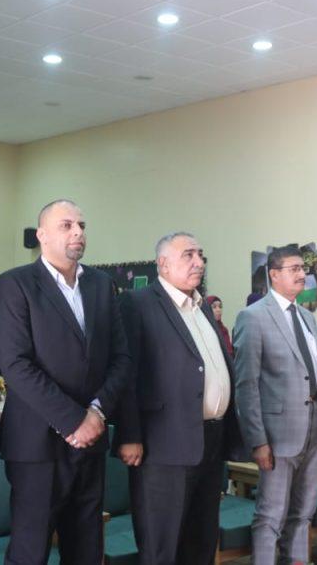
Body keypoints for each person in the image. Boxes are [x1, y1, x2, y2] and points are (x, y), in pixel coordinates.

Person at [0, 199, 131, 564]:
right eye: (66, 225)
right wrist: (74, 421)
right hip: (37, 443)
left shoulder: (101, 284)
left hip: (92, 439)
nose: (78, 232)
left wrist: (96, 413)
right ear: (41, 235)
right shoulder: (16, 284)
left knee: (86, 548)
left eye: (82, 225)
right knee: (30, 550)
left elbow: (121, 358)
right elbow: (16, 365)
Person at [116, 233, 242, 565]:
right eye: (188, 255)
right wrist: (129, 434)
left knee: (201, 541)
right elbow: (125, 374)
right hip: (163, 444)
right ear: (163, 263)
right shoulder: (138, 303)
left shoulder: (202, 307)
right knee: (163, 544)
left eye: (201, 255)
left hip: (210, 439)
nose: (199, 262)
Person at [234, 245, 317, 565]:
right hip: (276, 434)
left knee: (304, 512)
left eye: (303, 268)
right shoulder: (253, 317)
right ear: (274, 275)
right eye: (294, 269)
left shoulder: (306, 316)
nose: (302, 274)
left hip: (313, 427)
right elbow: (246, 385)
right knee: (271, 516)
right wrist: (257, 440)